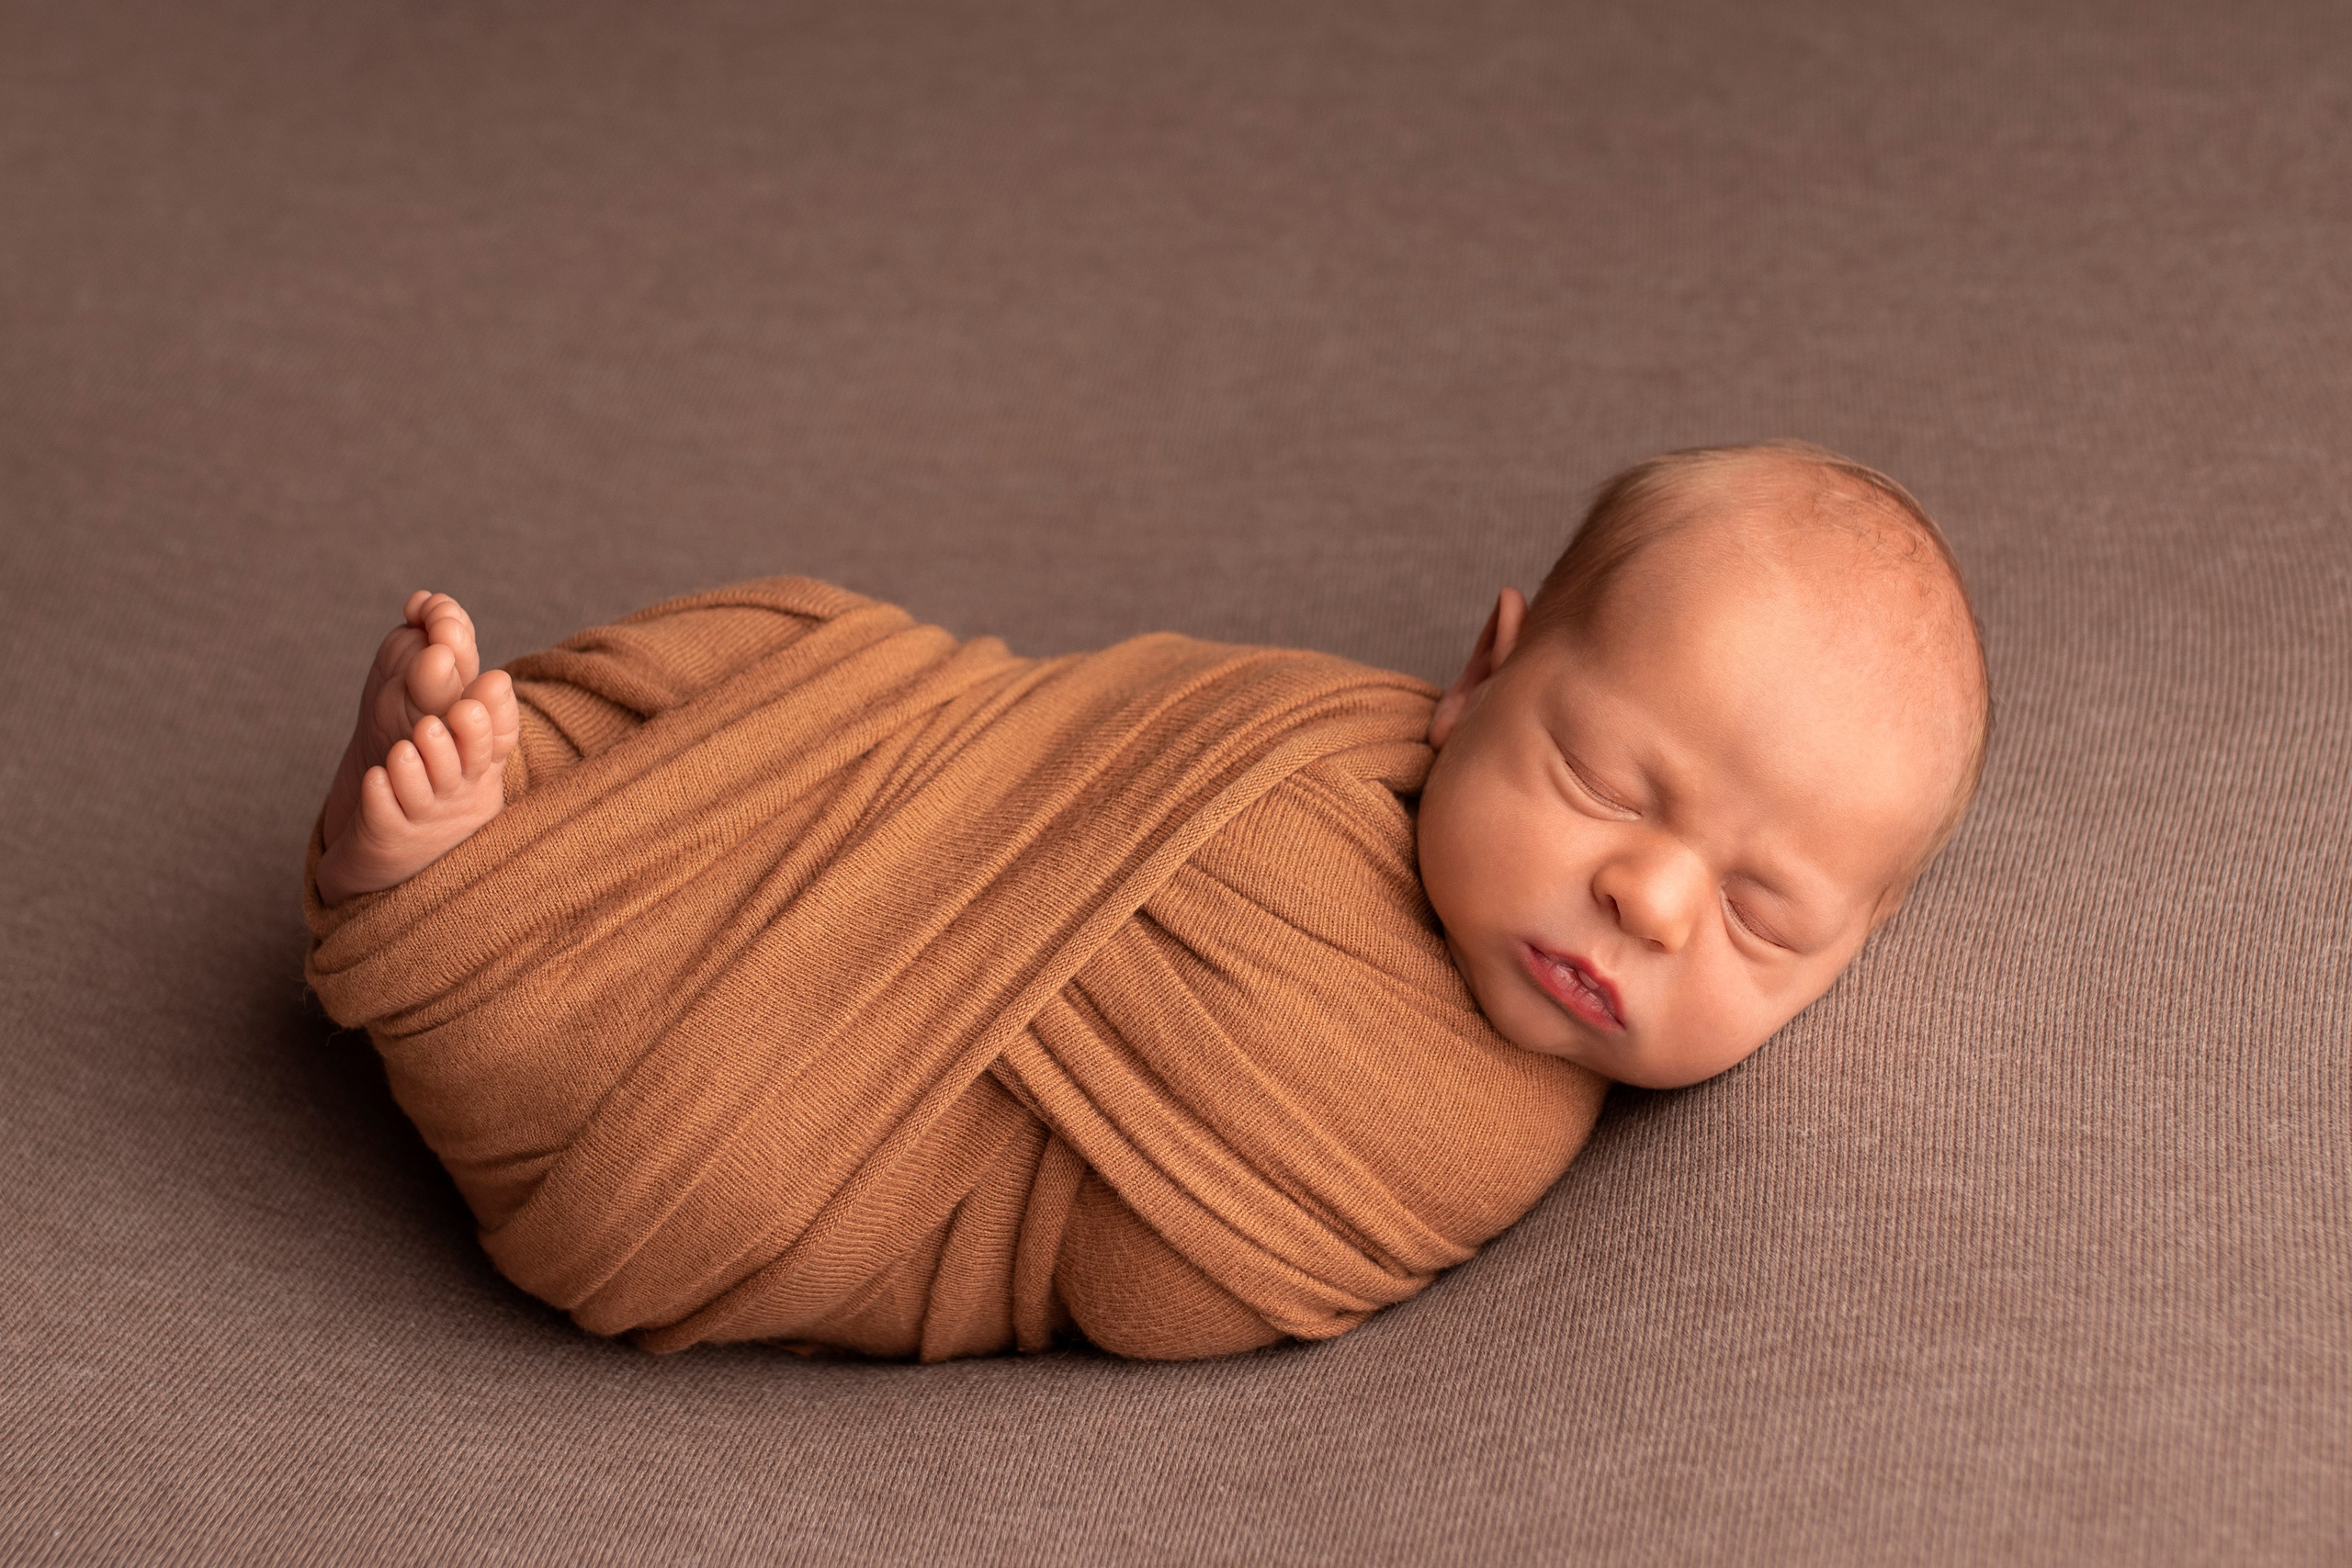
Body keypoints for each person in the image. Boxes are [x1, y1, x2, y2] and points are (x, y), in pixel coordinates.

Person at [303, 440, 1988, 1360]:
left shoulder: (1470, 1129)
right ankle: (507, 780)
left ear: (1851, 958)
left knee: (725, 1153)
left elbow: (1145, 1292)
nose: (1650, 897)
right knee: (797, 657)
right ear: (1480, 676)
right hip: (910, 799)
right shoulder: (1306, 735)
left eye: (1767, 918)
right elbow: (1028, 729)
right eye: (1611, 786)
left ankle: (441, 909)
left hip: (866, 1122)